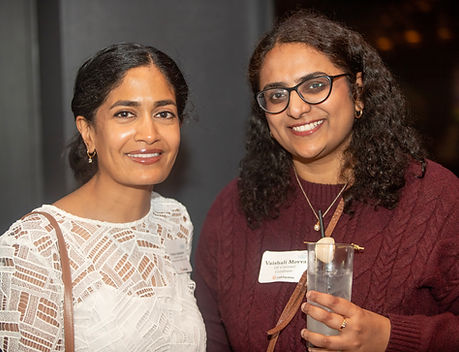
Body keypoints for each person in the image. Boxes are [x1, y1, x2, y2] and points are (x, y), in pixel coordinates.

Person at [194, 10, 458, 352]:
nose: (296, 108)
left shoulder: (434, 198)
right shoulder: (234, 209)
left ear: (358, 91)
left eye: (315, 86)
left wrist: (391, 336)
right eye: (276, 95)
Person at [0, 43, 206, 351]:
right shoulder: (31, 248)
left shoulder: (173, 221)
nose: (149, 133)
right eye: (125, 113)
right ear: (88, 131)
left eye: (164, 113)